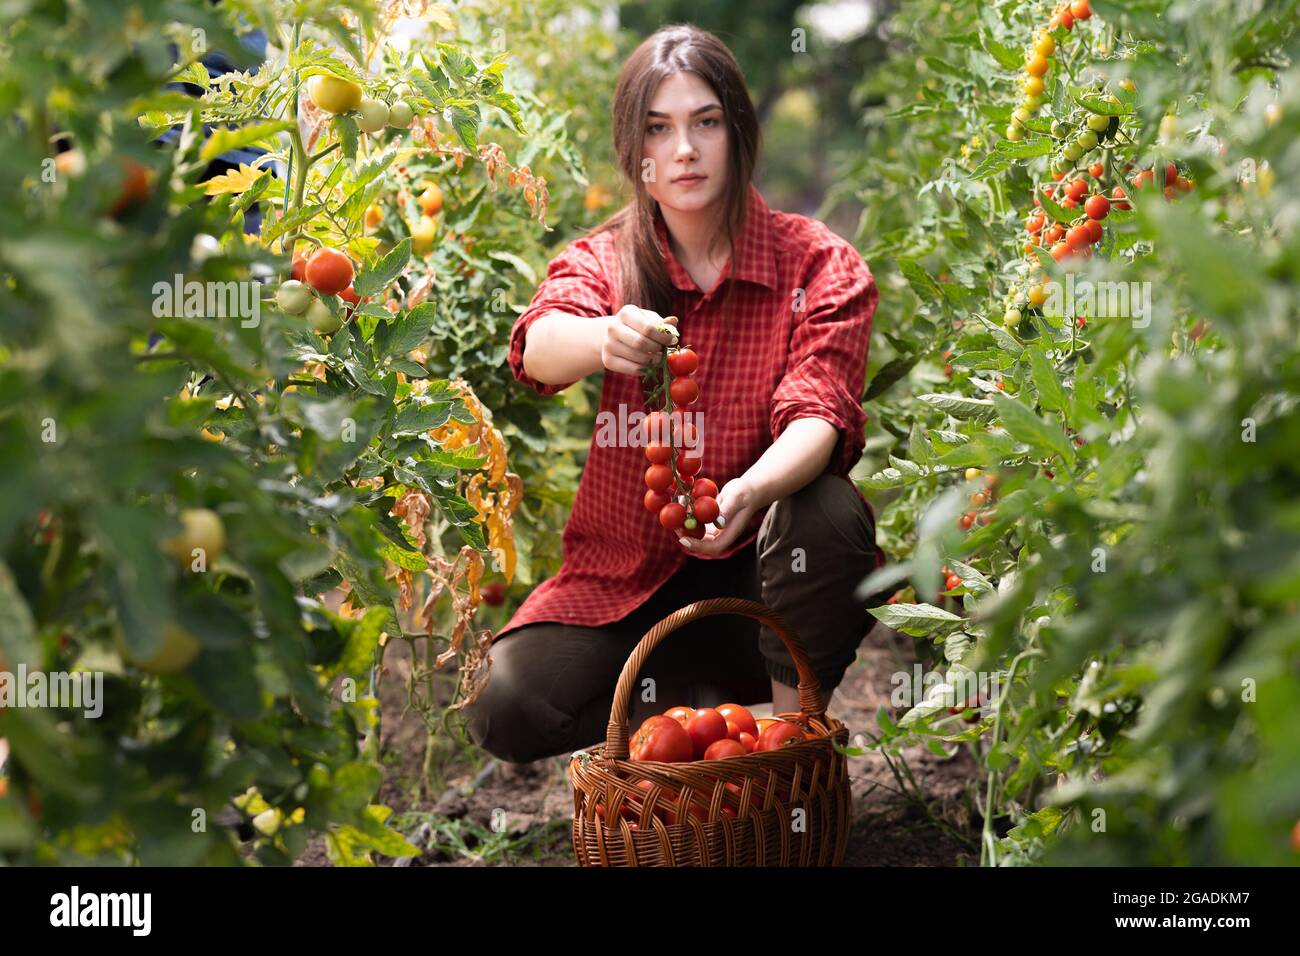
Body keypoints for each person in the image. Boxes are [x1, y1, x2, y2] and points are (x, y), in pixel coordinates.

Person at [463, 24, 888, 765]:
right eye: (658, 129)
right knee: (508, 704)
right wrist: (602, 341)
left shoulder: (820, 265)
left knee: (826, 509)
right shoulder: (607, 259)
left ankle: (788, 748)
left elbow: (818, 412)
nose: (684, 150)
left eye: (706, 122)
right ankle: (689, 716)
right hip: (628, 585)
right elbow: (537, 345)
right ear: (636, 153)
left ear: (739, 133)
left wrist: (749, 492)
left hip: (761, 580)